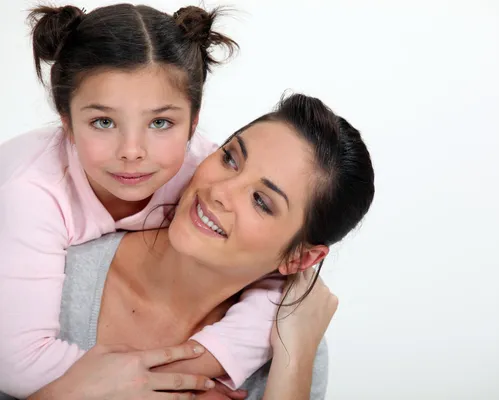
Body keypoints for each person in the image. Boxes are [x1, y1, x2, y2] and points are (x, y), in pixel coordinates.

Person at [0, 3, 286, 397]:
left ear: (193, 123)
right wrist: (157, 387)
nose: (132, 151)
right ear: (66, 121)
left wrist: (210, 359)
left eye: (160, 123)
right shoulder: (30, 189)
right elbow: (16, 362)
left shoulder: (205, 173)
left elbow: (280, 277)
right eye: (103, 122)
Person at [27, 93, 376, 399]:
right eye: (231, 159)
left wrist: (294, 355)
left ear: (301, 257)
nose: (220, 192)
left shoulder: (291, 354)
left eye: (261, 201)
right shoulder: (49, 276)